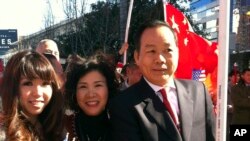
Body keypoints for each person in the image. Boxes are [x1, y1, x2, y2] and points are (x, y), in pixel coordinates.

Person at [109, 20, 216, 141]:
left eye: (168, 50)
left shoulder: (199, 91)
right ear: (137, 57)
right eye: (151, 51)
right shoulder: (123, 105)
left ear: (177, 53)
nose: (160, 59)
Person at [0, 50, 65, 141]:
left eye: (45, 84)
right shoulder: (3, 133)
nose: (38, 92)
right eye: (28, 83)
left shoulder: (57, 127)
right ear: (11, 87)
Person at [64, 54, 118, 141]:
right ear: (74, 92)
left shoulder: (123, 125)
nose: (91, 94)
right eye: (83, 87)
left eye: (98, 85)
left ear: (109, 88)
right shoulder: (62, 126)